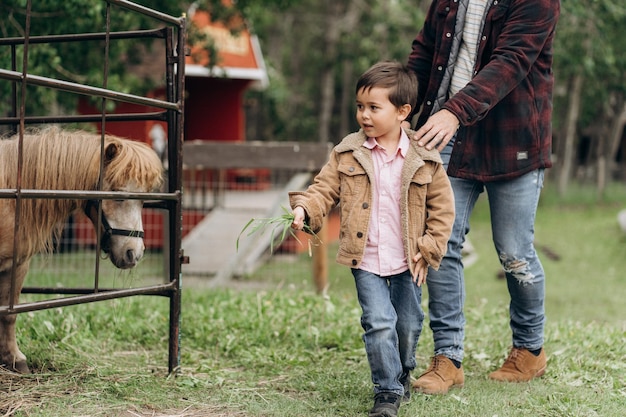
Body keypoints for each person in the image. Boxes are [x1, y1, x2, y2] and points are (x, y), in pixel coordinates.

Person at [404, 0, 560, 394]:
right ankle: (448, 358)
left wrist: (455, 111)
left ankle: (529, 350)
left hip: (513, 138)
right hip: (447, 133)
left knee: (514, 250)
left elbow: (511, 60)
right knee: (441, 241)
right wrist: (399, 106)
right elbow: (425, 51)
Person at [289, 61, 454, 417]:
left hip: (408, 261)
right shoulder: (347, 152)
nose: (364, 115)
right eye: (360, 107)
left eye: (374, 108)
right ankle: (387, 392)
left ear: (402, 112)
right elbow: (323, 189)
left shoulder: (424, 158)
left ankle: (403, 369)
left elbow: (442, 210)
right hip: (365, 259)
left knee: (407, 325)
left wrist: (429, 248)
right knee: (378, 323)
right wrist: (305, 209)